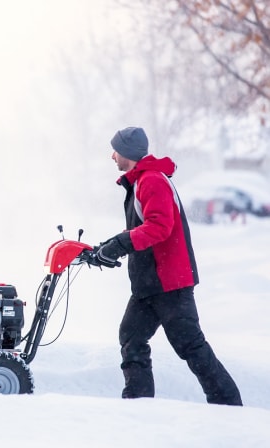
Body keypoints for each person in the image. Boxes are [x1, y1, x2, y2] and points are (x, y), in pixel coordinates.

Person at [90, 126, 242, 406]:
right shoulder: (141, 181)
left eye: (116, 150)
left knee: (190, 346)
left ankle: (228, 405)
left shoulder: (151, 181)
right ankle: (139, 404)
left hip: (169, 282)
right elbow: (141, 229)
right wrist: (107, 248)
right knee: (131, 338)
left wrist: (120, 245)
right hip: (150, 283)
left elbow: (159, 228)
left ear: (128, 153)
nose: (112, 156)